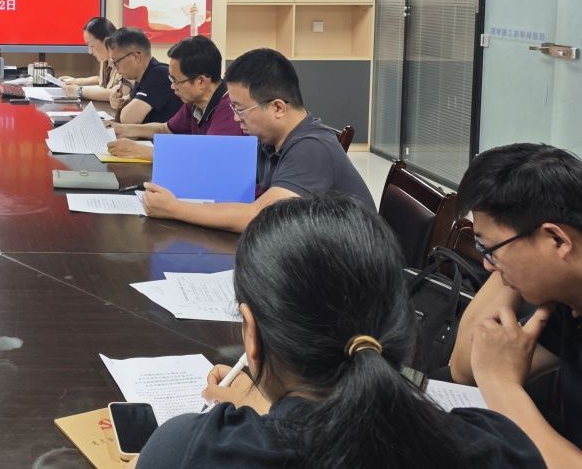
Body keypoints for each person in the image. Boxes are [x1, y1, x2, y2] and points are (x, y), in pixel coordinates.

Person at [137, 195, 545, 469]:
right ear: (401, 319)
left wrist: (265, 408)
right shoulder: (499, 449)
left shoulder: (187, 451)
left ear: (253, 336)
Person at [449, 143, 582, 468]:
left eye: (489, 248)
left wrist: (503, 386)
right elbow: (465, 368)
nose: (486, 264)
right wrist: (508, 261)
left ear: (558, 240)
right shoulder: (566, 296)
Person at [142, 48, 372, 232]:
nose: (235, 117)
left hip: (350, 266)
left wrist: (173, 208)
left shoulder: (312, 147)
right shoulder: (270, 141)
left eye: (240, 109)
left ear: (278, 108)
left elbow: (260, 217)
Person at [106, 35, 243, 161]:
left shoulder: (230, 109)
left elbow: (207, 158)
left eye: (177, 81)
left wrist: (144, 151)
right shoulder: (195, 102)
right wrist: (122, 129)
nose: (172, 87)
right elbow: (166, 129)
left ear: (201, 81)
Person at [102, 27, 182, 125]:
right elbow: (128, 101)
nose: (115, 67)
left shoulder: (160, 74)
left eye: (116, 61)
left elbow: (128, 119)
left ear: (136, 57)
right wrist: (117, 101)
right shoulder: (144, 75)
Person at [61, 16, 128, 105]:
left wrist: (79, 91)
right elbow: (101, 79)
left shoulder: (124, 60)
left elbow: (117, 93)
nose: (90, 52)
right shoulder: (105, 58)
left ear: (106, 42)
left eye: (91, 46)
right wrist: (76, 81)